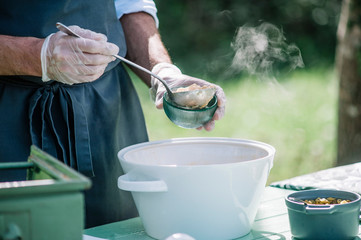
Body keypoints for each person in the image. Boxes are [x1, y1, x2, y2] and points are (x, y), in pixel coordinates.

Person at [0, 0, 226, 228]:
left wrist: (162, 71)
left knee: (122, 228)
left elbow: (129, 5)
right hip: (10, 118)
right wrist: (36, 55)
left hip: (107, 114)